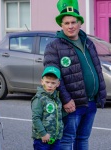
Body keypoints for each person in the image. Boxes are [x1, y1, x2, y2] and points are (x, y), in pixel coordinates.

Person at [43, 0, 106, 149]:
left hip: (90, 102)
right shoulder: (54, 47)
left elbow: (96, 69)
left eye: (73, 22)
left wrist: (100, 95)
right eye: (66, 23)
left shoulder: (88, 43)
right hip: (72, 104)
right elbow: (52, 77)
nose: (70, 26)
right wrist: (66, 100)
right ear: (61, 25)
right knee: (67, 140)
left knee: (83, 139)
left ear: (80, 23)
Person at [31, 66, 64, 150]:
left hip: (55, 138)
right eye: (47, 82)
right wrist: (43, 134)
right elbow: (36, 118)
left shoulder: (56, 98)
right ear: (42, 82)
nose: (49, 85)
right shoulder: (39, 98)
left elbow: (58, 113)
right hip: (42, 139)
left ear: (58, 84)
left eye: (53, 83)